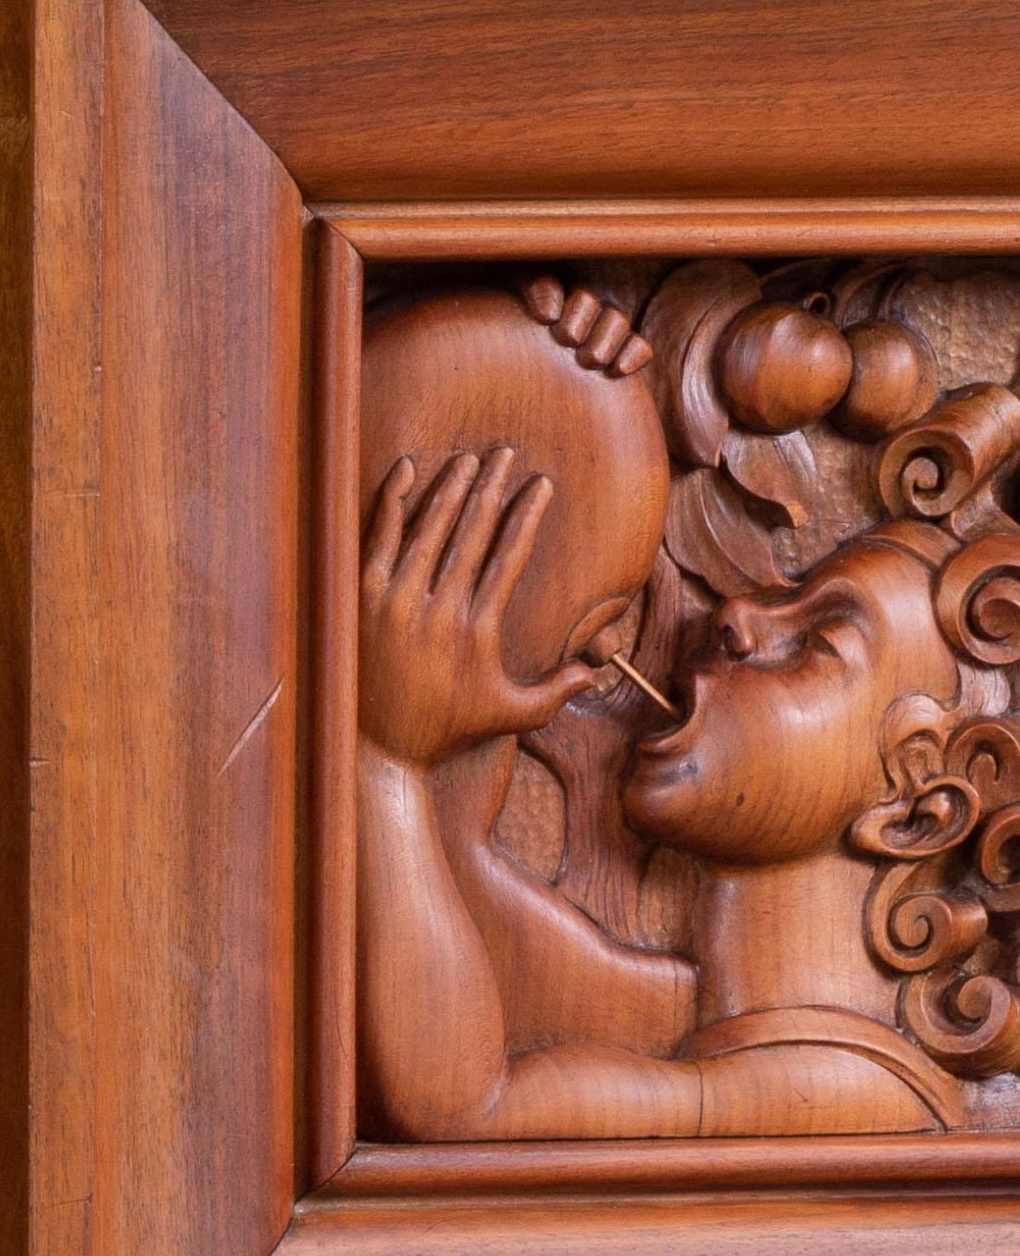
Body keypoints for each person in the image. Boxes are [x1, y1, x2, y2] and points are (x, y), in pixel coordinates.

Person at [342, 442, 972, 1142]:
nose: (736, 615)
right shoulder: (667, 1004)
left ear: (911, 812)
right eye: (781, 600)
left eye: (817, 641)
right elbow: (454, 874)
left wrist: (390, 759)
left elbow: (456, 1107)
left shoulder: (852, 1093)